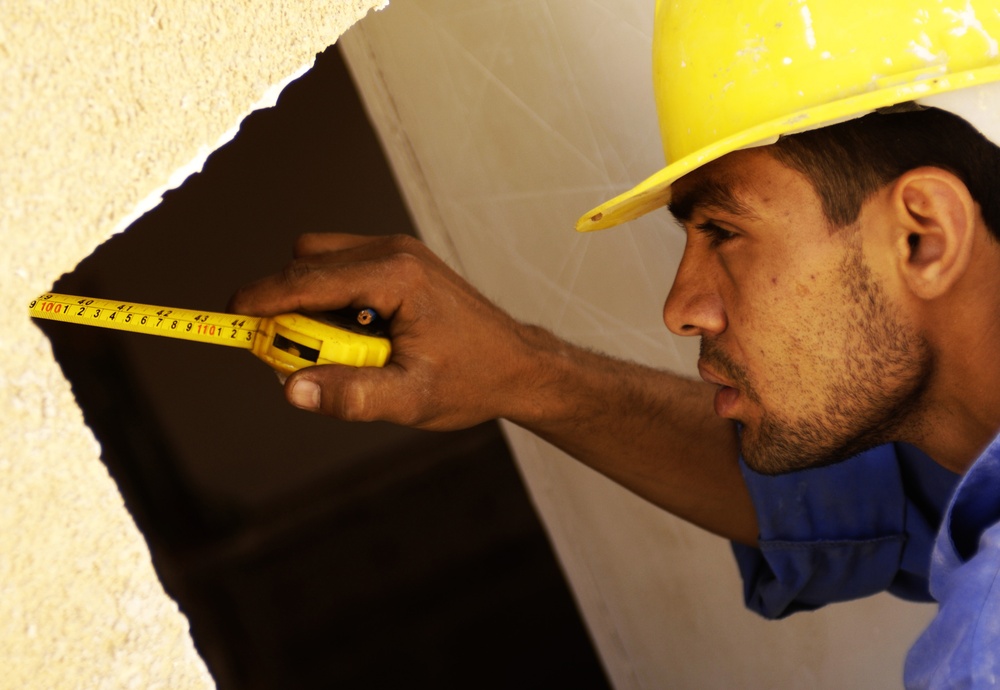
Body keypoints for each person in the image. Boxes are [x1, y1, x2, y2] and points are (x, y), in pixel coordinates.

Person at [230, 1, 1000, 686]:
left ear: (921, 235)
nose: (680, 308)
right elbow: (868, 498)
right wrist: (525, 372)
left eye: (723, 231)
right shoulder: (959, 453)